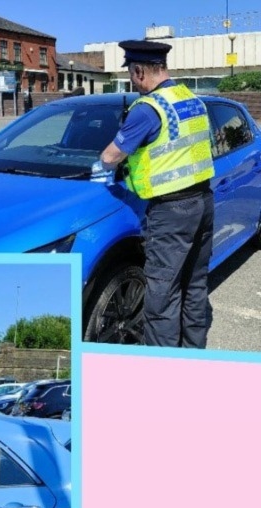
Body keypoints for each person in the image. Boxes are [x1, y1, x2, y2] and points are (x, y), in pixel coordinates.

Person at [93, 40, 215, 348]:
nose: (132, 82)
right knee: (194, 286)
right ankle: (193, 355)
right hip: (204, 203)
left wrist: (101, 164)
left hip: (171, 211)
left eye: (132, 75)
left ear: (139, 70)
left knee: (161, 296)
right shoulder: (190, 99)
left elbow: (110, 157)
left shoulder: (147, 110)